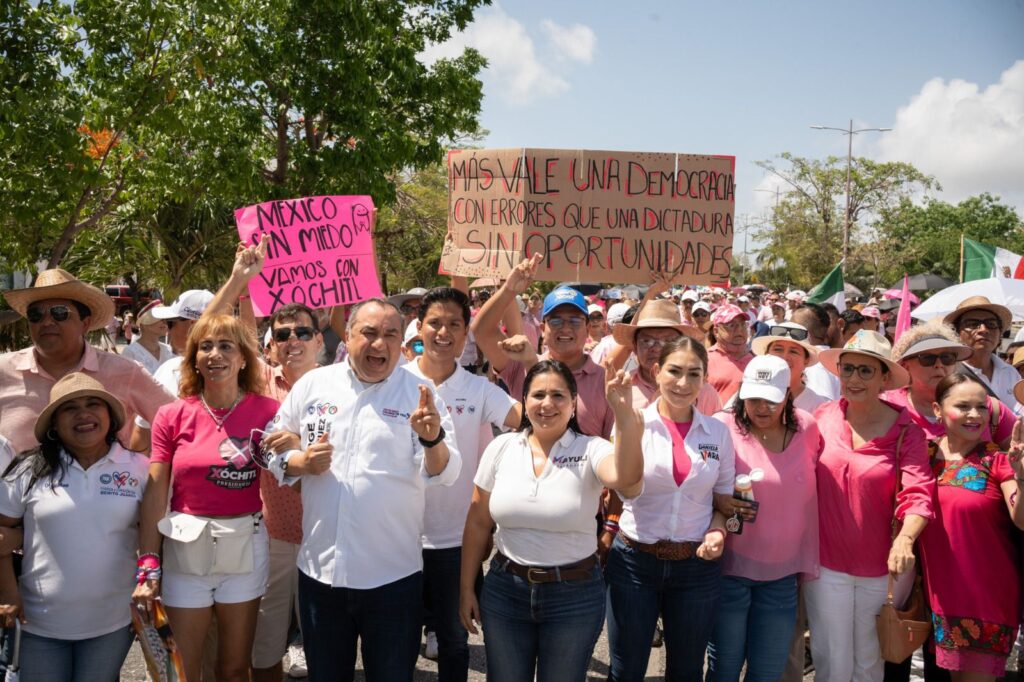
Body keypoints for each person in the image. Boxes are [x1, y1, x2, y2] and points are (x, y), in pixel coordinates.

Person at [265, 298, 461, 682]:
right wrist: (299, 463)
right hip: (321, 575)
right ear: (348, 336)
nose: (380, 344)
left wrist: (432, 438)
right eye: (369, 333)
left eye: (390, 334)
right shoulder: (313, 385)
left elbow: (447, 471)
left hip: (392, 579)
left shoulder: (420, 394)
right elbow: (275, 446)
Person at [460, 359, 643, 682]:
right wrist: (466, 588)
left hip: (572, 596)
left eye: (558, 396)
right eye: (538, 395)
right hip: (505, 591)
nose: (547, 404)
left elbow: (627, 478)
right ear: (524, 401)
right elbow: (477, 522)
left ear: (574, 404)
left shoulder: (592, 449)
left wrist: (625, 418)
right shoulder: (501, 447)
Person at [133, 314, 280, 682]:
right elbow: (155, 491)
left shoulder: (268, 412)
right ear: (194, 358)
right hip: (185, 554)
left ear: (244, 358)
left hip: (245, 550)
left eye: (226, 346)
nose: (215, 354)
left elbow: (288, 469)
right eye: (206, 346)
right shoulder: (171, 415)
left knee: (233, 669)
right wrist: (149, 563)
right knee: (180, 670)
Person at [404, 287, 520, 682]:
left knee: (455, 641)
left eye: (455, 324)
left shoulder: (479, 389)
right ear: (418, 327)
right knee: (396, 642)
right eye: (434, 322)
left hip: (455, 543)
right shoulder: (393, 381)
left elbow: (532, 419)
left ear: (467, 332)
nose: (443, 332)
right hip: (395, 539)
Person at [805, 330, 934, 682]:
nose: (854, 379)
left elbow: (919, 492)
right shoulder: (822, 415)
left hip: (884, 569)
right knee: (830, 658)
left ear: (884, 378)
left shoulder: (908, 430)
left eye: (865, 370)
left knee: (869, 663)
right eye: (848, 369)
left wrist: (906, 539)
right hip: (826, 563)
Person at [0, 373, 147, 681]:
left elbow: (155, 537)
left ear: (109, 415)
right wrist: (9, 594)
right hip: (38, 625)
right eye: (70, 408)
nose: (84, 414)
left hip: (112, 623)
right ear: (54, 424)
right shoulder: (28, 469)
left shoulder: (139, 469)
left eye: (94, 404)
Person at [604, 337, 732, 681]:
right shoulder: (632, 421)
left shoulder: (718, 433)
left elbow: (723, 501)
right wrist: (623, 418)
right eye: (674, 371)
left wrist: (719, 529)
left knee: (687, 671)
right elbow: (626, 490)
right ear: (657, 371)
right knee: (626, 669)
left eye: (694, 374)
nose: (683, 383)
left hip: (696, 567)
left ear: (705, 379)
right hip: (634, 562)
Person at [706, 355, 822, 682]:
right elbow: (702, 486)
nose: (761, 408)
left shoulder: (808, 427)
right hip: (730, 570)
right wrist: (720, 500)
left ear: (787, 395)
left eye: (771, 400)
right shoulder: (722, 426)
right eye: (753, 398)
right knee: (724, 669)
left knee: (768, 672)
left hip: (782, 576)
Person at [918, 372, 1024, 679]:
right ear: (937, 409)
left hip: (985, 599)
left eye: (981, 407)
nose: (975, 415)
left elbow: (1021, 518)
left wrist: (1022, 475)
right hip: (936, 597)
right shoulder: (921, 454)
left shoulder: (998, 460)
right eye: (963, 406)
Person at [0, 268, 173, 454]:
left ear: (85, 323)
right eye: (36, 315)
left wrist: (152, 473)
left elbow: (179, 422)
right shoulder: (3, 371)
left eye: (59, 313)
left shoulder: (125, 372)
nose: (47, 321)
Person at [473, 255, 612, 438]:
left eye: (575, 321)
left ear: (587, 328)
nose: (565, 328)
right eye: (556, 320)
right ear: (542, 328)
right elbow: (482, 331)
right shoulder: (522, 364)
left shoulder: (605, 381)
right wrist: (509, 289)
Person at [887, 321, 1015, 448]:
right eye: (927, 358)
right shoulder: (887, 406)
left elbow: (1018, 448)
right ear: (905, 366)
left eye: (947, 357)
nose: (939, 364)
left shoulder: (985, 405)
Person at [946, 296, 1018, 409]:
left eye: (991, 324)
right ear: (956, 333)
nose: (983, 329)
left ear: (1000, 334)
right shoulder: (947, 372)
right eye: (972, 324)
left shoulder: (1011, 373)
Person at [751, 321, 829, 413]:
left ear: (806, 360)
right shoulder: (749, 396)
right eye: (778, 349)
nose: (784, 357)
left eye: (793, 351)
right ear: (767, 354)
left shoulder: (819, 407)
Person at [792, 303, 841, 401]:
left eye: (791, 329)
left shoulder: (816, 367)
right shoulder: (819, 361)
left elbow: (823, 407)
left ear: (806, 334)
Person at [706, 304, 754, 404]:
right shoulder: (704, 360)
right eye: (731, 325)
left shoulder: (756, 361)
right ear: (716, 332)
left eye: (742, 324)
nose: (739, 330)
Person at [120, 300, 175, 374]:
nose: (164, 322)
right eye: (158, 318)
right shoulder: (130, 352)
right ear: (143, 322)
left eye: (165, 318)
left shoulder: (169, 350)